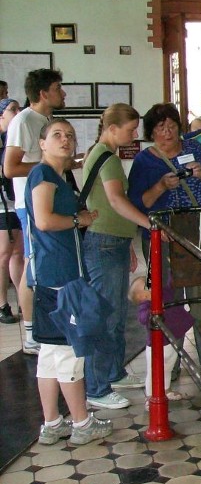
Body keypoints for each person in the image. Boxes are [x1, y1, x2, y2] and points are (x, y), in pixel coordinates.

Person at [27, 119, 112, 446]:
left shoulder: (60, 176)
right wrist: (81, 219)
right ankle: (81, 423)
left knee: (49, 353)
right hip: (61, 275)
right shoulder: (43, 174)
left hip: (57, 273)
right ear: (43, 143)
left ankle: (52, 423)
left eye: (70, 135)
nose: (65, 140)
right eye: (57, 135)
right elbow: (44, 220)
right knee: (71, 351)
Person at [128, 103, 201, 381]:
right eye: (160, 127)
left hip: (199, 233)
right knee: (167, 300)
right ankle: (170, 362)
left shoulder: (195, 150)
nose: (167, 131)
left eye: (171, 125)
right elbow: (139, 203)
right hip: (161, 237)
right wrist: (161, 186)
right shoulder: (144, 161)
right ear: (151, 132)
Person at [81, 104, 153, 410]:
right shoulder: (106, 157)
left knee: (116, 314)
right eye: (130, 129)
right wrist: (148, 224)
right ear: (112, 128)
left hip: (115, 242)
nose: (135, 135)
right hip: (104, 242)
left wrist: (126, 240)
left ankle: (113, 372)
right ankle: (96, 387)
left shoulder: (103, 154)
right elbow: (116, 201)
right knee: (106, 315)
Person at [4, 68, 66, 354]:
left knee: (43, 264)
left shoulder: (46, 120)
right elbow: (10, 167)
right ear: (43, 93)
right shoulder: (24, 120)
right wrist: (50, 167)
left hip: (48, 199)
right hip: (30, 203)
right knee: (33, 264)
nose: (63, 92)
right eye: (58, 87)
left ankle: (44, 324)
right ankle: (30, 332)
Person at [128, 273, 194, 406]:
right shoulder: (146, 305)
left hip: (171, 341)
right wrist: (153, 311)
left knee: (168, 368)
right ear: (143, 296)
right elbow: (142, 317)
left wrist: (172, 273)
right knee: (154, 371)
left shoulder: (162, 294)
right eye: (147, 286)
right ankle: (150, 397)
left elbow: (170, 288)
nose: (152, 285)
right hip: (156, 346)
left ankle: (166, 390)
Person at [0, 99, 24, 324]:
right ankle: (2, 304)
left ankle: (22, 300)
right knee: (3, 254)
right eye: (12, 110)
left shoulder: (13, 138)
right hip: (1, 206)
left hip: (16, 202)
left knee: (18, 253)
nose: (17, 113)